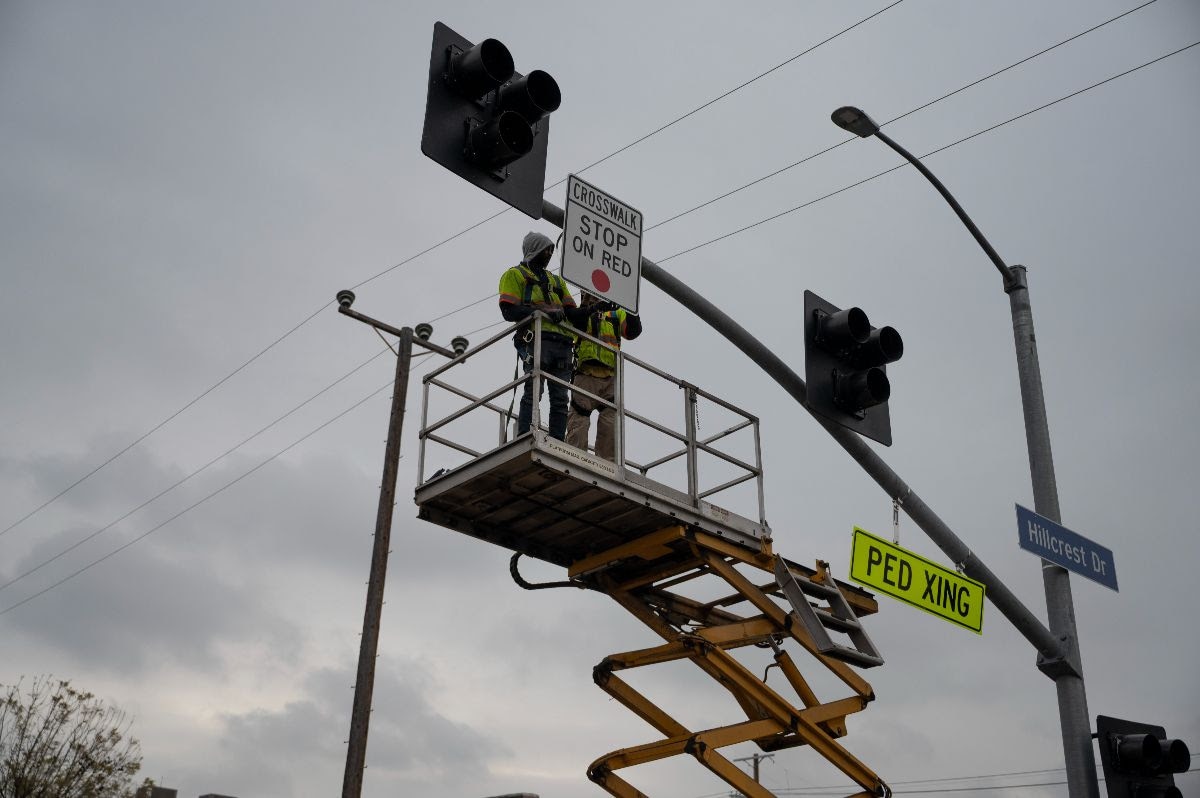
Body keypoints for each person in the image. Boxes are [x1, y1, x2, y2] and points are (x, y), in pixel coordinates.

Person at [498, 231, 590, 441]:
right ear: (535, 250)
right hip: (536, 340)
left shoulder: (555, 280)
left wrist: (591, 310)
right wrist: (542, 313)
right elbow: (508, 311)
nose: (549, 253)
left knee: (560, 398)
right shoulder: (515, 275)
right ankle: (525, 435)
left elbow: (572, 314)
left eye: (551, 249)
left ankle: (557, 442)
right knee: (533, 391)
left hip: (563, 345)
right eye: (546, 249)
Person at [566, 291, 642, 460]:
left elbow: (632, 331)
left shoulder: (616, 313)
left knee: (610, 426)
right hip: (586, 374)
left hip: (610, 377)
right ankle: (574, 460)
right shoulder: (580, 313)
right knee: (579, 422)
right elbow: (577, 325)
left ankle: (607, 466)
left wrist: (631, 306)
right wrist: (591, 307)